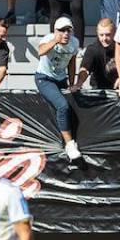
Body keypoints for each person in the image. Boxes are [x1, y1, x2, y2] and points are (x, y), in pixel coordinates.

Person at [35, 16, 82, 160]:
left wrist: (72, 83)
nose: (66, 34)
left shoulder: (74, 42)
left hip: (61, 79)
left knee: (71, 105)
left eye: (68, 30)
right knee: (62, 106)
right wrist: (55, 40)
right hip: (45, 78)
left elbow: (72, 62)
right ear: (55, 31)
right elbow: (40, 51)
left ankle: (69, 139)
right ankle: (69, 145)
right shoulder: (48, 39)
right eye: (62, 30)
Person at [77, 17, 118, 90]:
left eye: (108, 35)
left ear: (114, 33)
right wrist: (79, 84)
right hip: (98, 87)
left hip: (119, 87)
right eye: (101, 35)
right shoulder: (92, 49)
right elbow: (85, 69)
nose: (104, 38)